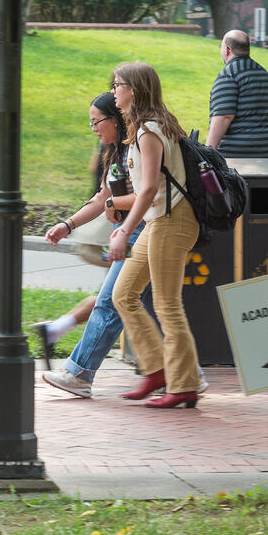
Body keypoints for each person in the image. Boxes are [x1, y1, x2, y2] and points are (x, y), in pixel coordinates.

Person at [35, 91, 207, 398]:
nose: (94, 129)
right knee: (130, 301)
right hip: (132, 228)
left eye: (96, 122)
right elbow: (102, 199)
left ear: (114, 119)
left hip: (147, 226)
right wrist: (68, 225)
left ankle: (81, 373)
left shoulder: (139, 143)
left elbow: (147, 193)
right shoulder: (115, 153)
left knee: (120, 301)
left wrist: (121, 222)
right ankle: (185, 375)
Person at [108, 62, 203, 409]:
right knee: (124, 294)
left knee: (167, 305)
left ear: (134, 89)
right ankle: (156, 370)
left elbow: (147, 190)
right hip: (160, 220)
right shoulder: (148, 126)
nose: (114, 90)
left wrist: (123, 231)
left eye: (118, 84)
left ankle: (183, 384)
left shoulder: (149, 130)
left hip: (172, 220)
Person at [207, 29, 268, 161]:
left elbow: (224, 116)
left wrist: (207, 153)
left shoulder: (229, 74)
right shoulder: (262, 73)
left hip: (240, 153)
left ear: (227, 49)